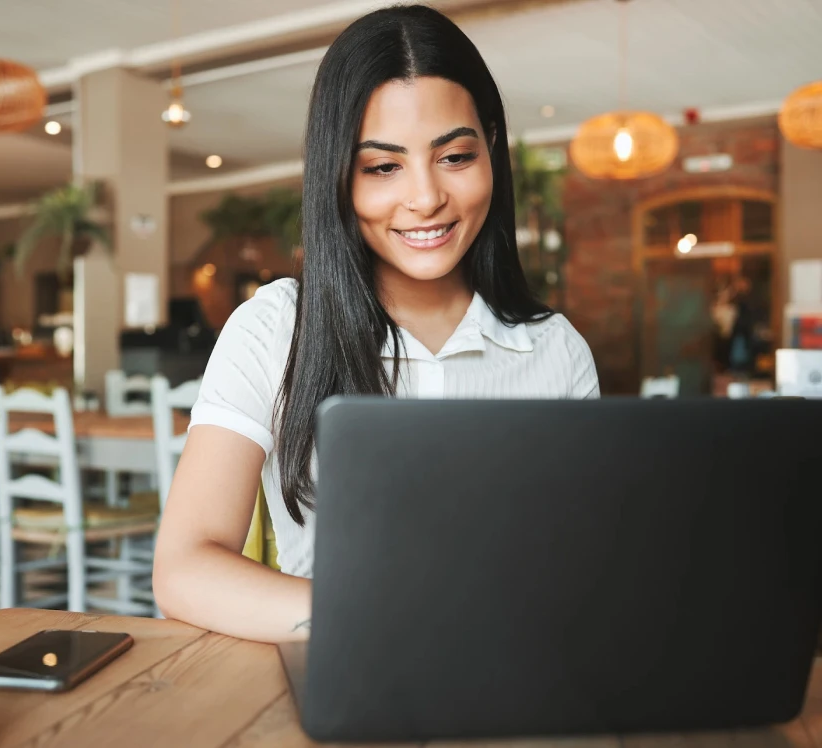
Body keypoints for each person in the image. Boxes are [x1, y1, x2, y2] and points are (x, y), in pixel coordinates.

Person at [153, 4, 600, 643]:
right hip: (336, 669)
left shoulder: (556, 350)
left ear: (492, 152)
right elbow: (184, 568)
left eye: (454, 156)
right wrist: (381, 624)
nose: (425, 198)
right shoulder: (277, 329)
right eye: (383, 167)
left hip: (514, 673)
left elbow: (580, 565)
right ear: (338, 175)